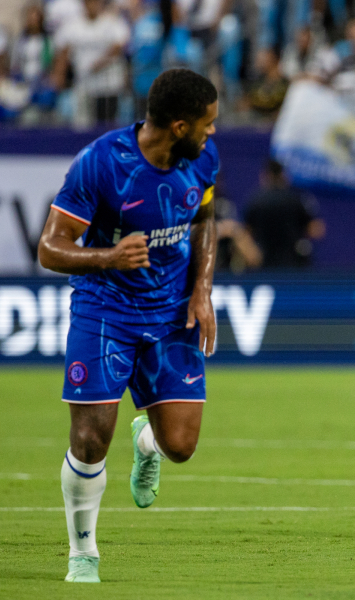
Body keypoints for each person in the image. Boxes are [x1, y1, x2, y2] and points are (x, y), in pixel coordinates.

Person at [37, 68, 219, 583]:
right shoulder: (101, 164)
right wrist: (109, 257)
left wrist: (201, 290)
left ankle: (147, 443)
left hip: (170, 311)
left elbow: (205, 219)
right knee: (90, 439)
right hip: (105, 311)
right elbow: (50, 248)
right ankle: (83, 552)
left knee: (180, 446)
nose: (213, 135)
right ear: (178, 126)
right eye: (206, 125)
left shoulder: (202, 159)